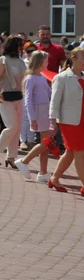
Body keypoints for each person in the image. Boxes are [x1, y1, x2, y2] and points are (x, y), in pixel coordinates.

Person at [15, 51, 55, 182]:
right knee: (46, 141)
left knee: (45, 141)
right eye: (46, 61)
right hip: (39, 111)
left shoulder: (42, 77)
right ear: (39, 62)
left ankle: (43, 172)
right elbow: (28, 100)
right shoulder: (30, 78)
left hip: (45, 109)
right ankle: (24, 161)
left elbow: (50, 92)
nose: (47, 63)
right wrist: (32, 118)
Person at [47, 49, 84, 193]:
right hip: (69, 122)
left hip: (82, 120)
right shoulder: (61, 77)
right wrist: (52, 122)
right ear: (73, 58)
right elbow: (54, 102)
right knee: (80, 152)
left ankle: (54, 178)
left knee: (70, 152)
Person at [0, 35, 27, 169]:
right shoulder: (3, 60)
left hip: (19, 96)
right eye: (20, 45)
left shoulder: (20, 61)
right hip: (4, 96)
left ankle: (11, 157)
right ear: (14, 46)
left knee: (17, 128)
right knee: (11, 126)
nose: (21, 48)